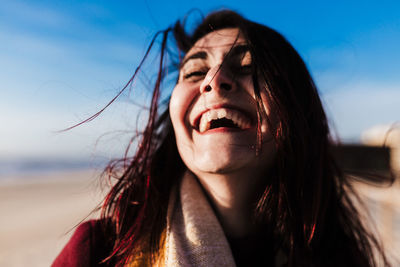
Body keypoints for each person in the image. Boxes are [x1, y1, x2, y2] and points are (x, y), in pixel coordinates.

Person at [52, 10, 390, 267]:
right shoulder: (100, 251)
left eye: (246, 66)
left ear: (297, 109)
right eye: (195, 72)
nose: (213, 81)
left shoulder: (344, 257)